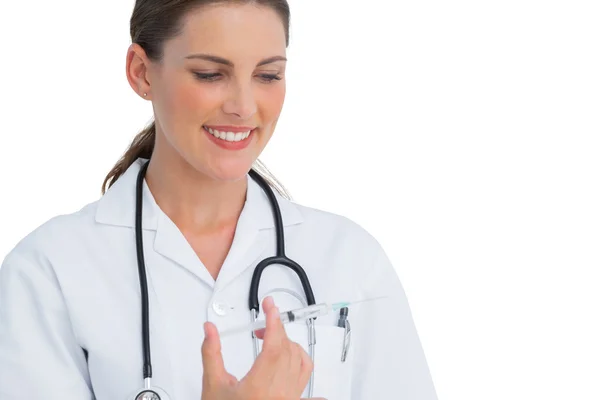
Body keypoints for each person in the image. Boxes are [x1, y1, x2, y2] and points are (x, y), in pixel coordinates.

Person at [0, 1, 438, 399]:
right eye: (210, 74)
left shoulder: (349, 258)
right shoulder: (50, 269)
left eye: (268, 75)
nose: (245, 107)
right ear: (141, 71)